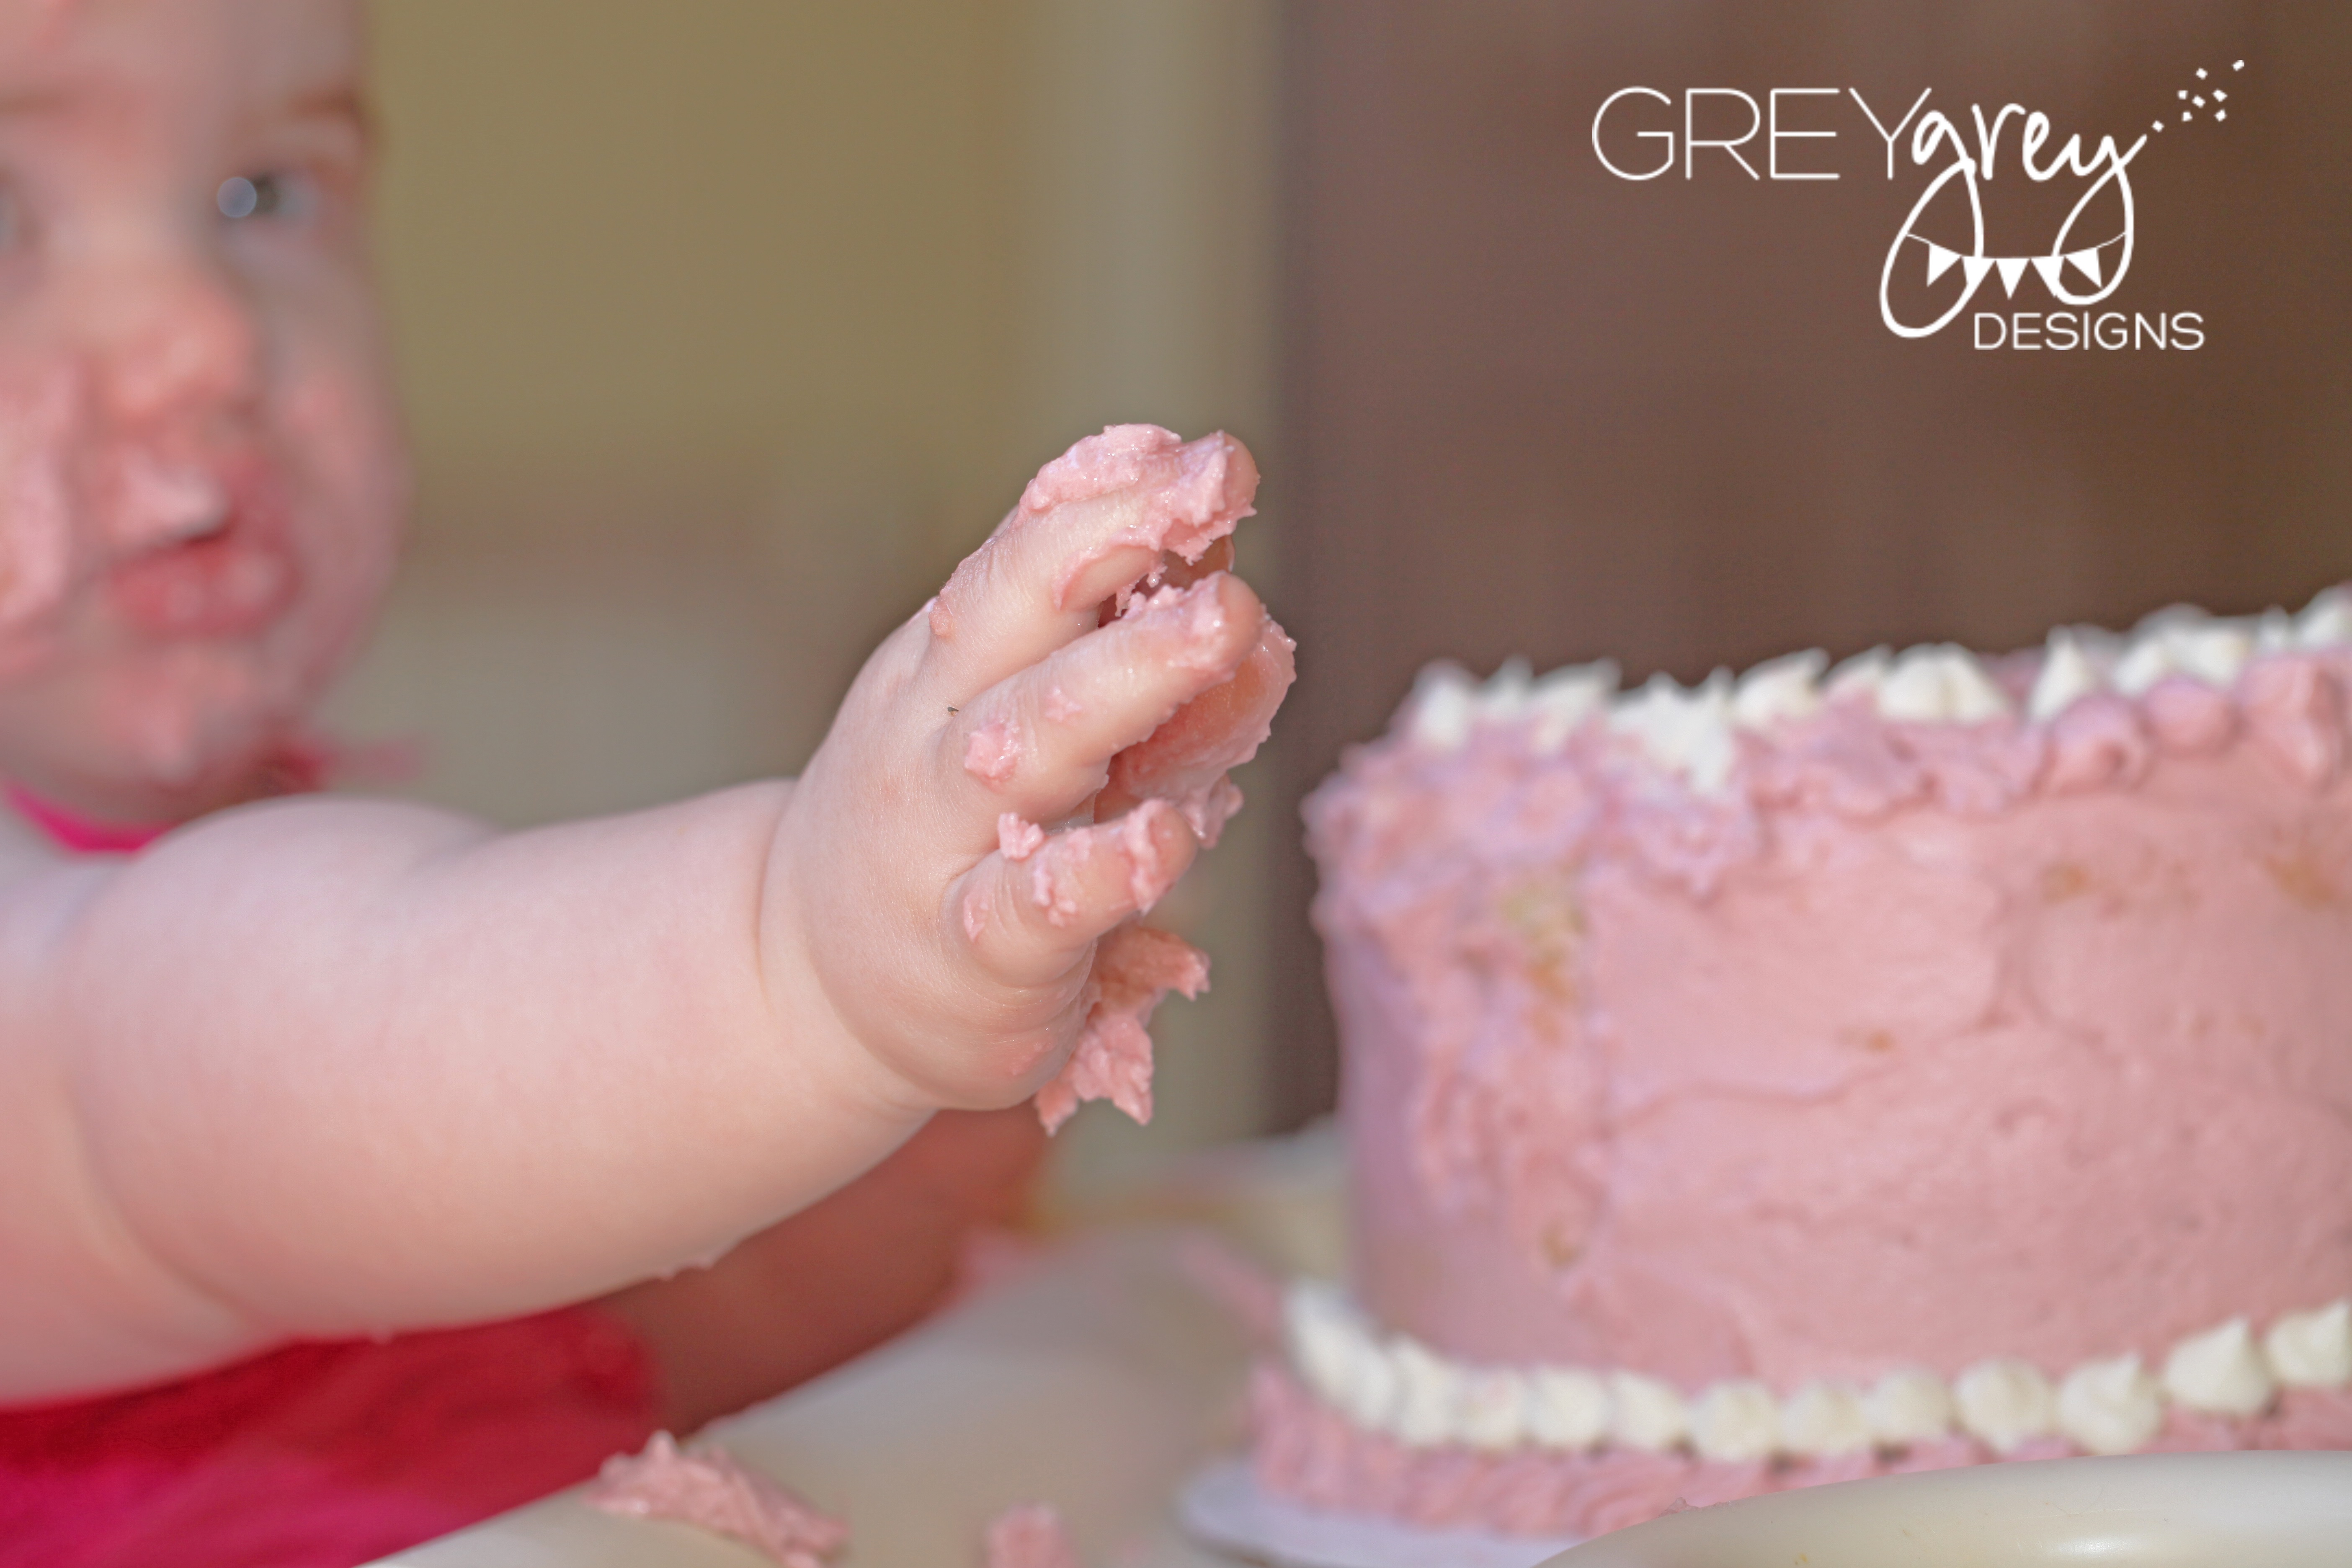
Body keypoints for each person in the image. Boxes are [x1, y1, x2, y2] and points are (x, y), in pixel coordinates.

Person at [0, 1, 1289, 1561]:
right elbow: (164, 1063)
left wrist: (885, 1185)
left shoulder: (278, 845)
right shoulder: (134, 1015)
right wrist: (800, 967)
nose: (204, 333)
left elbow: (575, 1378)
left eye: (262, 195)